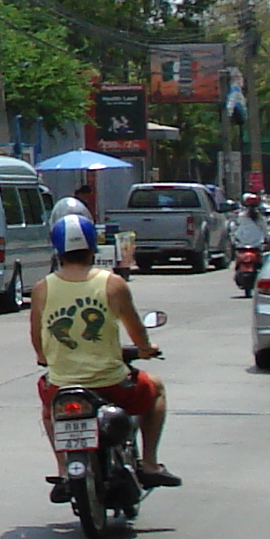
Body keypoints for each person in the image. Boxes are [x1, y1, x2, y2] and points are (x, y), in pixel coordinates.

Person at [31, 212, 176, 496]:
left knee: (50, 411)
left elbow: (37, 336)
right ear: (92, 247)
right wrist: (146, 349)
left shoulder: (42, 288)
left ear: (58, 249)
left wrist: (43, 357)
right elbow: (136, 329)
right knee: (156, 388)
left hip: (63, 384)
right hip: (111, 383)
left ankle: (63, 469)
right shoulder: (112, 284)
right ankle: (148, 464)